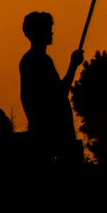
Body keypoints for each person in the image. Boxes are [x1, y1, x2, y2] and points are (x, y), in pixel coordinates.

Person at [19, 12, 83, 162]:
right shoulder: (39, 61)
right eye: (47, 29)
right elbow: (60, 93)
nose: (51, 32)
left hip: (44, 133)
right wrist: (73, 66)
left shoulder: (30, 60)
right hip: (54, 134)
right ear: (38, 32)